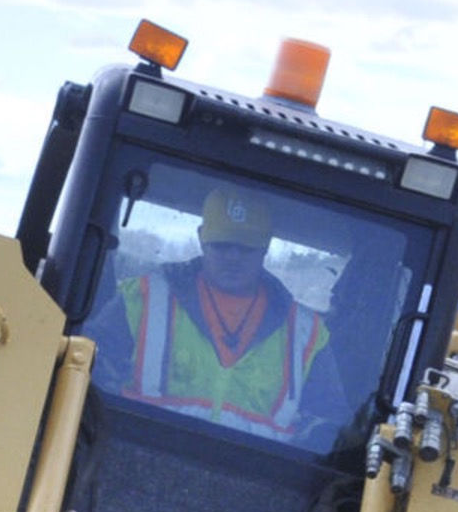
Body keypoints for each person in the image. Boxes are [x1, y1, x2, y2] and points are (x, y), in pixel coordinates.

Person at [102, 187, 343, 442]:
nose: (232, 257)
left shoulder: (306, 334)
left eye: (245, 247)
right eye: (222, 245)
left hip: (258, 478)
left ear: (265, 247)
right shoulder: (142, 298)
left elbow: (331, 428)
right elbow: (87, 372)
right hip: (133, 464)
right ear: (201, 237)